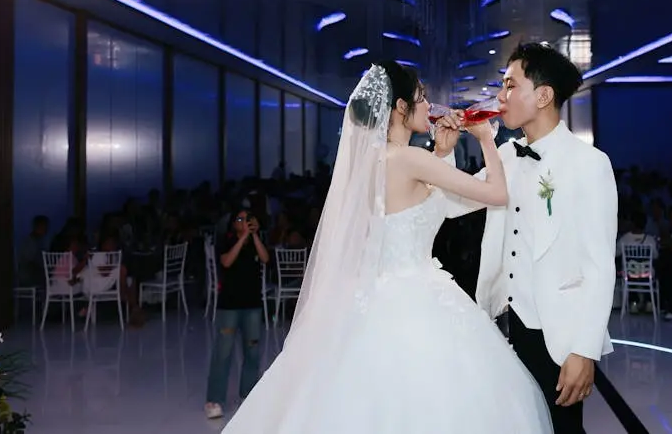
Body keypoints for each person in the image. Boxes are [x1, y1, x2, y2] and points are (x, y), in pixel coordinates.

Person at [222, 61, 552, 433]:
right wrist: (486, 138)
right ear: (400, 107)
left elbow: (426, 207)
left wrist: (442, 154)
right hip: (418, 299)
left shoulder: (373, 165)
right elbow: (496, 194)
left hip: (374, 297)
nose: (429, 106)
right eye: (421, 98)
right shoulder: (410, 158)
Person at [437, 42, 618, 434]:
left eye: (510, 85)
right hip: (503, 325)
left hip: (557, 332)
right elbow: (451, 206)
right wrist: (444, 153)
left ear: (543, 96)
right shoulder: (505, 154)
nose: (500, 97)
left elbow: (600, 266)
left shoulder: (589, 164)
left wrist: (584, 350)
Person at [205, 209, 269, 419]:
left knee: (252, 352)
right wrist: (242, 238)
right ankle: (214, 400)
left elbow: (265, 258)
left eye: (247, 218)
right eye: (240, 219)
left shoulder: (255, 242)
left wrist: (254, 236)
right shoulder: (227, 240)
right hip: (229, 306)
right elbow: (226, 261)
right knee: (223, 353)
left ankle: (247, 394)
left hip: (252, 305)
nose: (244, 222)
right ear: (233, 224)